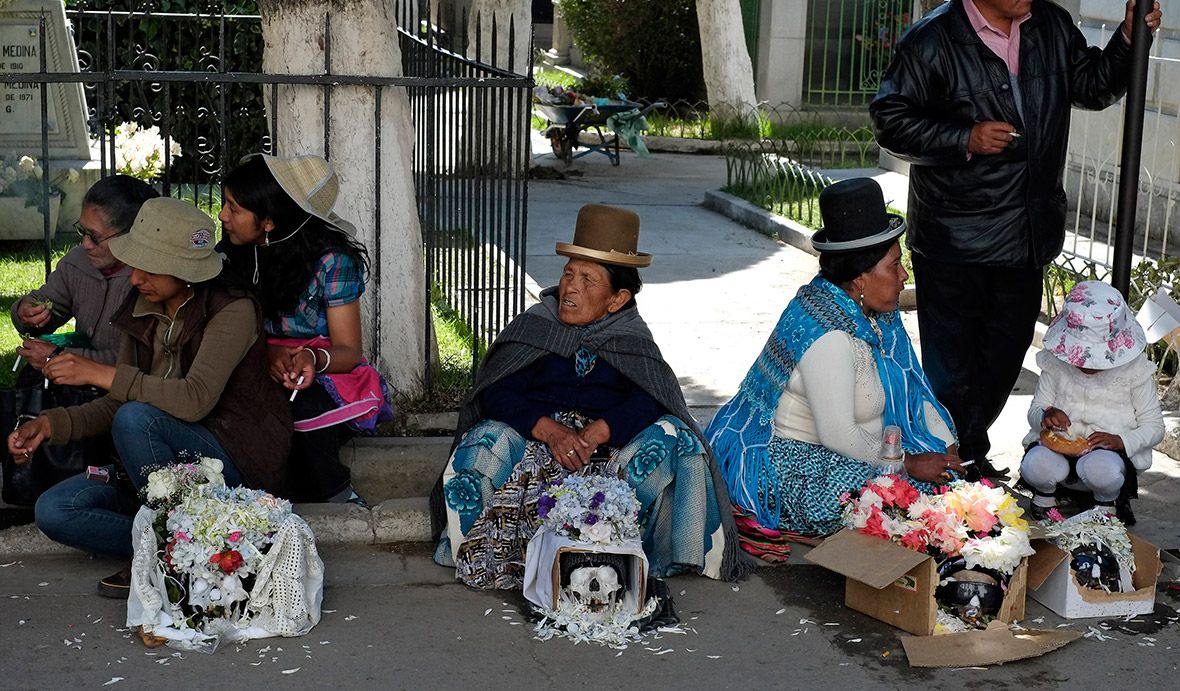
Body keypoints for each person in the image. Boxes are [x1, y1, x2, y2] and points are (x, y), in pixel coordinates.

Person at [869, 0, 1163, 481]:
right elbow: (890, 122)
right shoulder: (932, 40)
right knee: (951, 365)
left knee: (1004, 358)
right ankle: (959, 462)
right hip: (955, 235)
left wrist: (1128, 40)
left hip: (1029, 230)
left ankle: (964, 451)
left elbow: (1094, 86)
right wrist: (964, 138)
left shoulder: (1049, 24)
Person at [430, 203, 752, 587]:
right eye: (569, 273)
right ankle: (487, 551)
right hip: (536, 444)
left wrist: (601, 430)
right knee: (484, 441)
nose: (570, 288)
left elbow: (652, 399)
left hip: (609, 452)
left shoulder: (631, 337)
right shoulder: (537, 326)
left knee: (677, 438)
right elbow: (498, 392)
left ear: (617, 299)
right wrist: (549, 430)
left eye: (587, 279)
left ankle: (652, 551)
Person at [6, 198, 293, 597]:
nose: (136, 277)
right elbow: (115, 402)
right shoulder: (142, 303)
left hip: (231, 460)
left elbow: (194, 400)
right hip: (155, 475)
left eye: (149, 267)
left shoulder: (233, 310)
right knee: (54, 511)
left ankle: (168, 552)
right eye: (134, 263)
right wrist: (51, 425)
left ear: (186, 272)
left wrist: (98, 372)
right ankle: (182, 546)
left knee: (137, 418)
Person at [706, 179, 964, 546]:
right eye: (894, 266)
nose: (905, 275)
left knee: (948, 487)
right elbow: (838, 434)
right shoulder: (827, 333)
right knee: (914, 505)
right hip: (796, 465)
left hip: (864, 449)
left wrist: (945, 443)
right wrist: (908, 463)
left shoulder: (874, 316)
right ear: (861, 276)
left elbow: (910, 387)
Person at [218, 153, 391, 506]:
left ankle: (337, 495)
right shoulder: (228, 256)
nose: (222, 216)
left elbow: (348, 350)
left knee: (299, 403)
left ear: (268, 221)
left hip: (317, 370)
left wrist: (310, 357)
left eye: (233, 208)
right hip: (247, 360)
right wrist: (265, 353)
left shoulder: (331, 262)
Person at [1020, 281, 1163, 525]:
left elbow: (1155, 428)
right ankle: (1045, 498)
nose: (1086, 364)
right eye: (1080, 355)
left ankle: (1106, 503)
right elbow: (1035, 410)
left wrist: (1120, 441)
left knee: (1102, 470)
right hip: (1057, 456)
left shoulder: (1135, 372)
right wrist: (1046, 414)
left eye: (1095, 358)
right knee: (1034, 464)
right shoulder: (1055, 365)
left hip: (1108, 461)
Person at [12, 175, 159, 368]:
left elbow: (145, 362)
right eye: (82, 231)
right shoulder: (77, 262)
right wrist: (26, 312)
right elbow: (48, 305)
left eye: (95, 236)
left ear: (131, 235)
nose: (86, 244)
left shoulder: (154, 281)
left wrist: (63, 357)